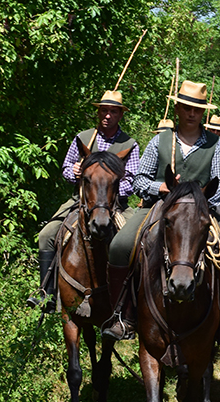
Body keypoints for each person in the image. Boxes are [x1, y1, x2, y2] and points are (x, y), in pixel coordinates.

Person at [102, 80, 220, 345]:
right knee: (119, 246)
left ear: (203, 113)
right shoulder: (160, 141)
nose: (192, 113)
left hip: (200, 211)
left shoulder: (216, 145)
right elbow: (139, 179)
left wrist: (197, 200)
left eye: (197, 109)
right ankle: (122, 316)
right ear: (178, 109)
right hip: (160, 207)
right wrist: (159, 186)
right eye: (187, 107)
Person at [28, 90, 140, 313]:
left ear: (120, 115)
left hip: (115, 204)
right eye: (104, 110)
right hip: (80, 200)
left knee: (134, 243)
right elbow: (66, 168)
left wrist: (112, 187)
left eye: (113, 111)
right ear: (98, 112)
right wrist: (75, 171)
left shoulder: (130, 144)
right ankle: (46, 292)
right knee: (47, 235)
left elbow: (134, 180)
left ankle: (133, 300)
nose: (108, 115)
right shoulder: (83, 138)